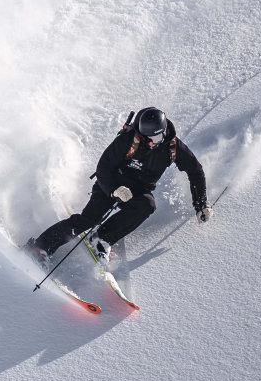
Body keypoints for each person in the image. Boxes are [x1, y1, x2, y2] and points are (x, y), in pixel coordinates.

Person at [25, 107, 213, 269]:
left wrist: (201, 204)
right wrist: (114, 189)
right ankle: (41, 247)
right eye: (151, 138)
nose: (156, 141)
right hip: (112, 183)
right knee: (88, 220)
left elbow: (195, 171)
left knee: (147, 205)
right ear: (142, 135)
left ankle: (102, 238)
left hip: (138, 190)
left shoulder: (173, 146)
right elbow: (103, 167)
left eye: (159, 136)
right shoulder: (128, 140)